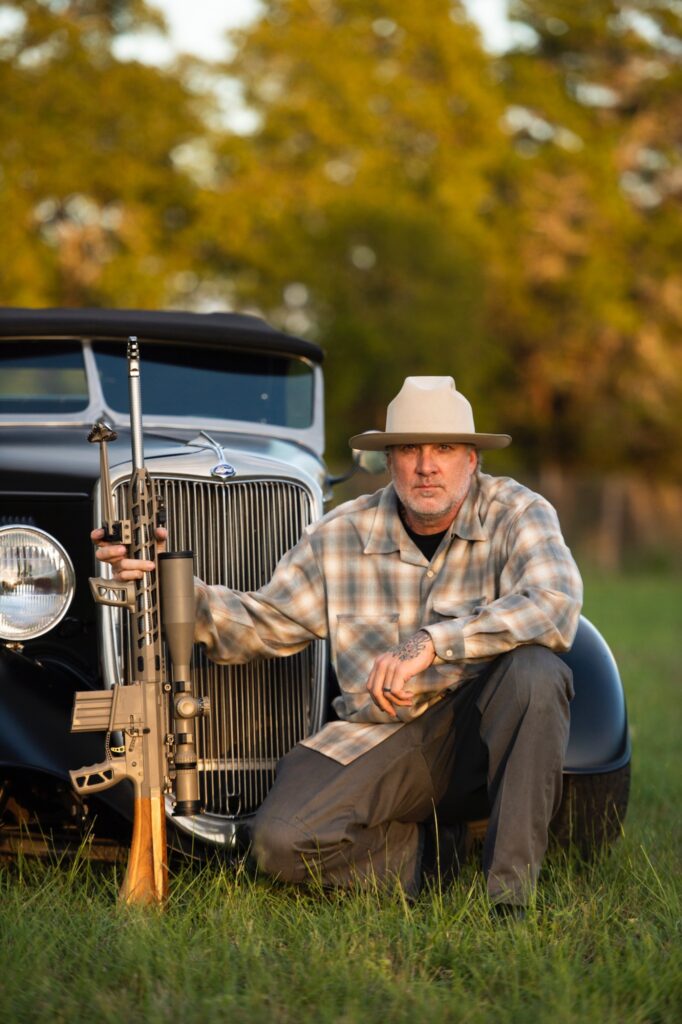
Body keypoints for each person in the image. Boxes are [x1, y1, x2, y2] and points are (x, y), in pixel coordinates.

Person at [94, 376, 582, 910]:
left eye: (443, 448)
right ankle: (432, 856)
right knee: (279, 843)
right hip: (382, 735)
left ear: (471, 459)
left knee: (537, 672)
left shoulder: (519, 512)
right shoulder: (341, 532)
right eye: (408, 449)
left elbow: (555, 603)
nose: (426, 465)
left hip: (482, 731)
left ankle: (509, 898)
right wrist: (166, 584)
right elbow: (260, 623)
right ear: (388, 460)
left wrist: (433, 641)